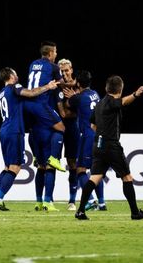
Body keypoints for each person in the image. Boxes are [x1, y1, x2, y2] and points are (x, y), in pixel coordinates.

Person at [75, 75, 143, 220]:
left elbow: (92, 125)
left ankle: (80, 211)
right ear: (121, 89)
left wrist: (101, 135)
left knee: (94, 178)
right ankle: (135, 212)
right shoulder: (113, 101)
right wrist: (135, 94)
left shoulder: (99, 103)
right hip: (111, 145)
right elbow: (123, 102)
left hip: (98, 144)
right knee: (127, 177)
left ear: (106, 88)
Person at [0, 67, 58, 211]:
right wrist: (48, 86)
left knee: (7, 167)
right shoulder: (14, 87)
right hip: (14, 131)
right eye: (15, 73)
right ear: (10, 76)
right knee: (15, 167)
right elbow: (31, 93)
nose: (17, 75)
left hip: (4, 130)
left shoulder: (1, 93)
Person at [24, 41, 66, 212]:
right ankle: (48, 202)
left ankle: (38, 201)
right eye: (55, 51)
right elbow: (62, 83)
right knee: (62, 129)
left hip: (32, 115)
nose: (56, 54)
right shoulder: (53, 67)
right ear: (50, 53)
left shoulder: (33, 64)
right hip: (43, 111)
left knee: (40, 166)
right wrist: (71, 83)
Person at [65, 70, 106, 211]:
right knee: (97, 171)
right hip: (99, 135)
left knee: (80, 169)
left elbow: (68, 105)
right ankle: (102, 203)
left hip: (87, 136)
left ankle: (91, 199)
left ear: (78, 83)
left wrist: (73, 95)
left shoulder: (79, 97)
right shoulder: (95, 94)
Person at [57, 58, 81, 210]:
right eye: (62, 71)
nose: (65, 73)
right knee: (49, 163)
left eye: (67, 70)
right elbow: (64, 113)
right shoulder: (57, 85)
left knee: (73, 163)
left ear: (71, 70)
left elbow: (74, 111)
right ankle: (47, 201)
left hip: (73, 128)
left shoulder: (79, 85)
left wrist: (73, 99)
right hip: (57, 127)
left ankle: (72, 201)